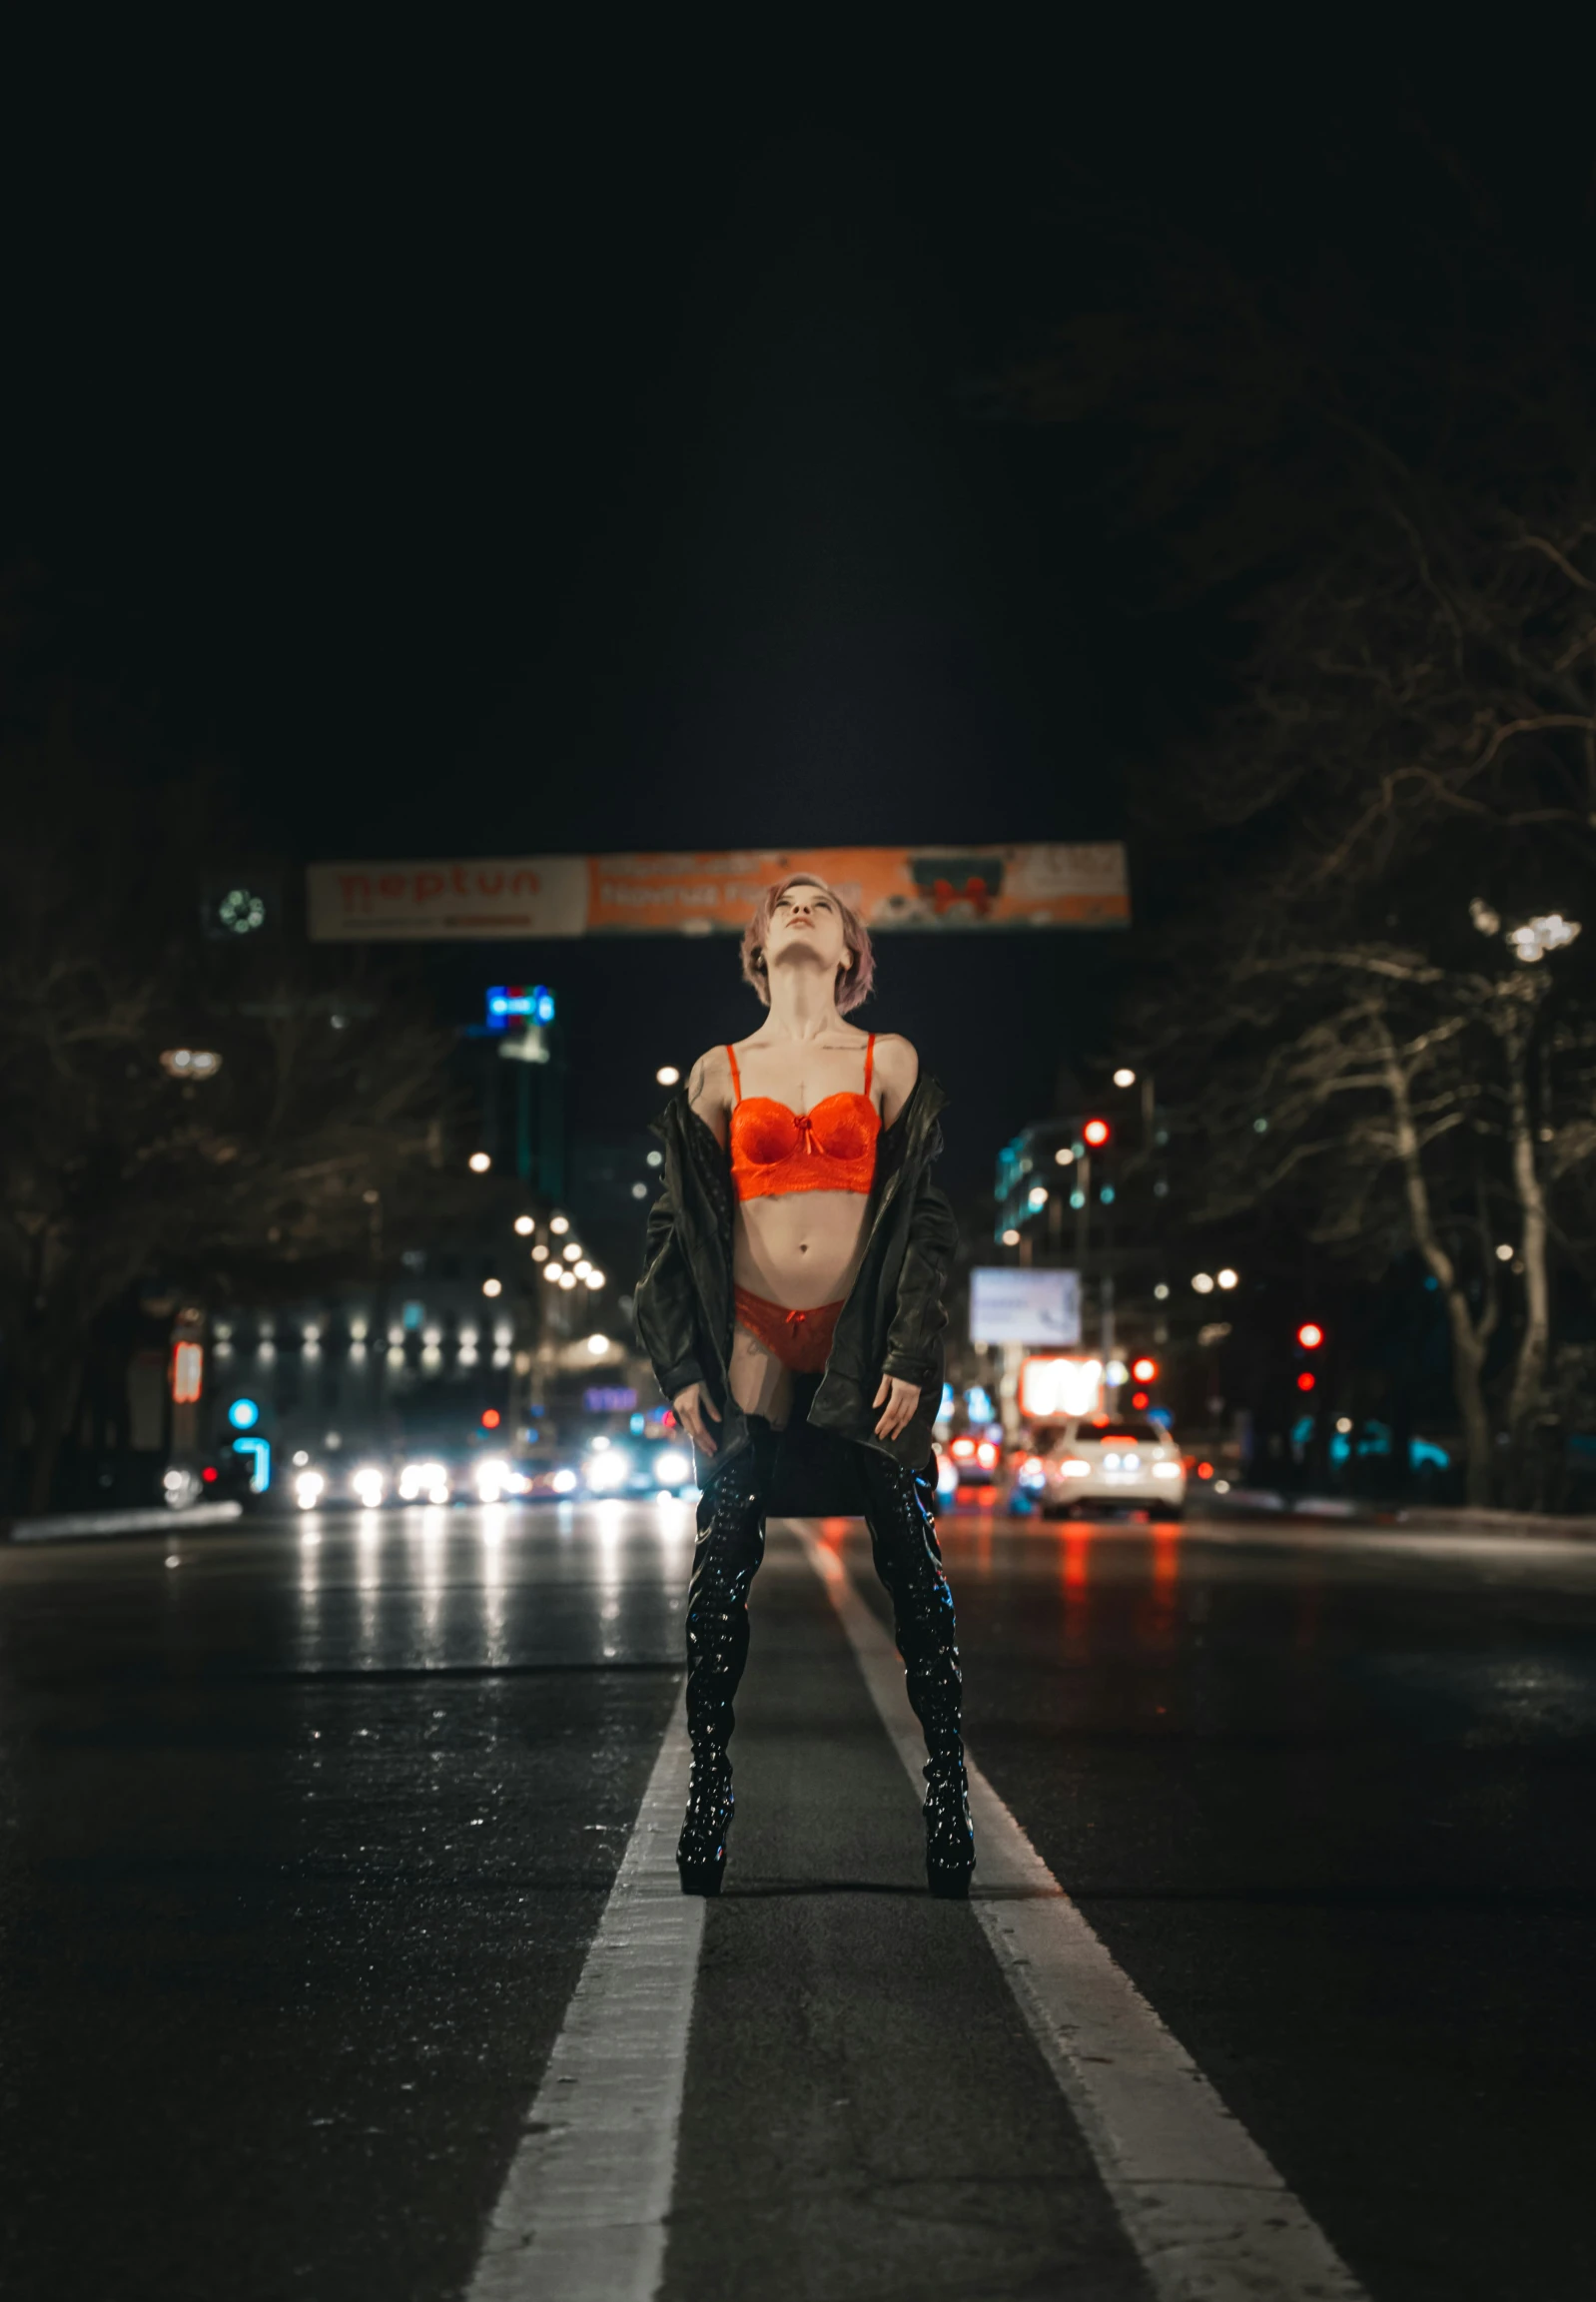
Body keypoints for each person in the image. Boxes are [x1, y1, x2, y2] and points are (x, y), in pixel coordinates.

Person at [635, 874, 974, 1899]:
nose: (796, 905)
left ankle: (948, 1795)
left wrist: (912, 1353)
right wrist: (681, 1366)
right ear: (755, 944)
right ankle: (708, 1796)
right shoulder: (715, 1071)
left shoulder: (886, 1060)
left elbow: (922, 1221)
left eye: (818, 902)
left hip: (860, 1343)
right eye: (780, 899)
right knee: (720, 1565)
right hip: (749, 1335)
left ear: (847, 950)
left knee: (913, 1573)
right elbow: (669, 1231)